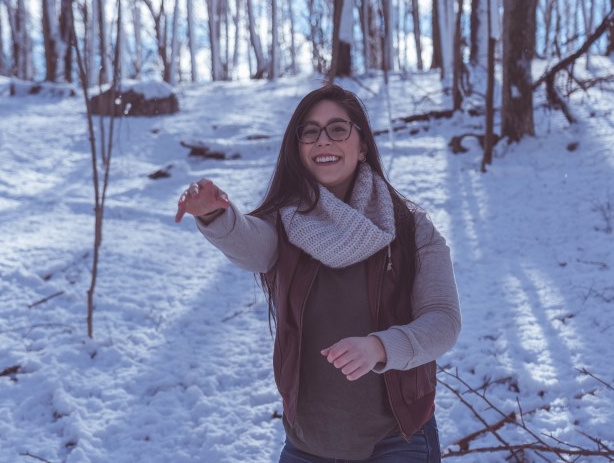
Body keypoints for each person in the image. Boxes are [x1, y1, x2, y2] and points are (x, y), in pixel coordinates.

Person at [174, 84, 461, 462]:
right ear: (298, 149)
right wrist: (215, 214)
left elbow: (443, 321)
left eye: (338, 129)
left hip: (397, 439)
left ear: (362, 147)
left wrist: (380, 347)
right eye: (310, 131)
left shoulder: (410, 227)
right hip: (307, 443)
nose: (323, 140)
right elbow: (252, 245)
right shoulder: (284, 223)